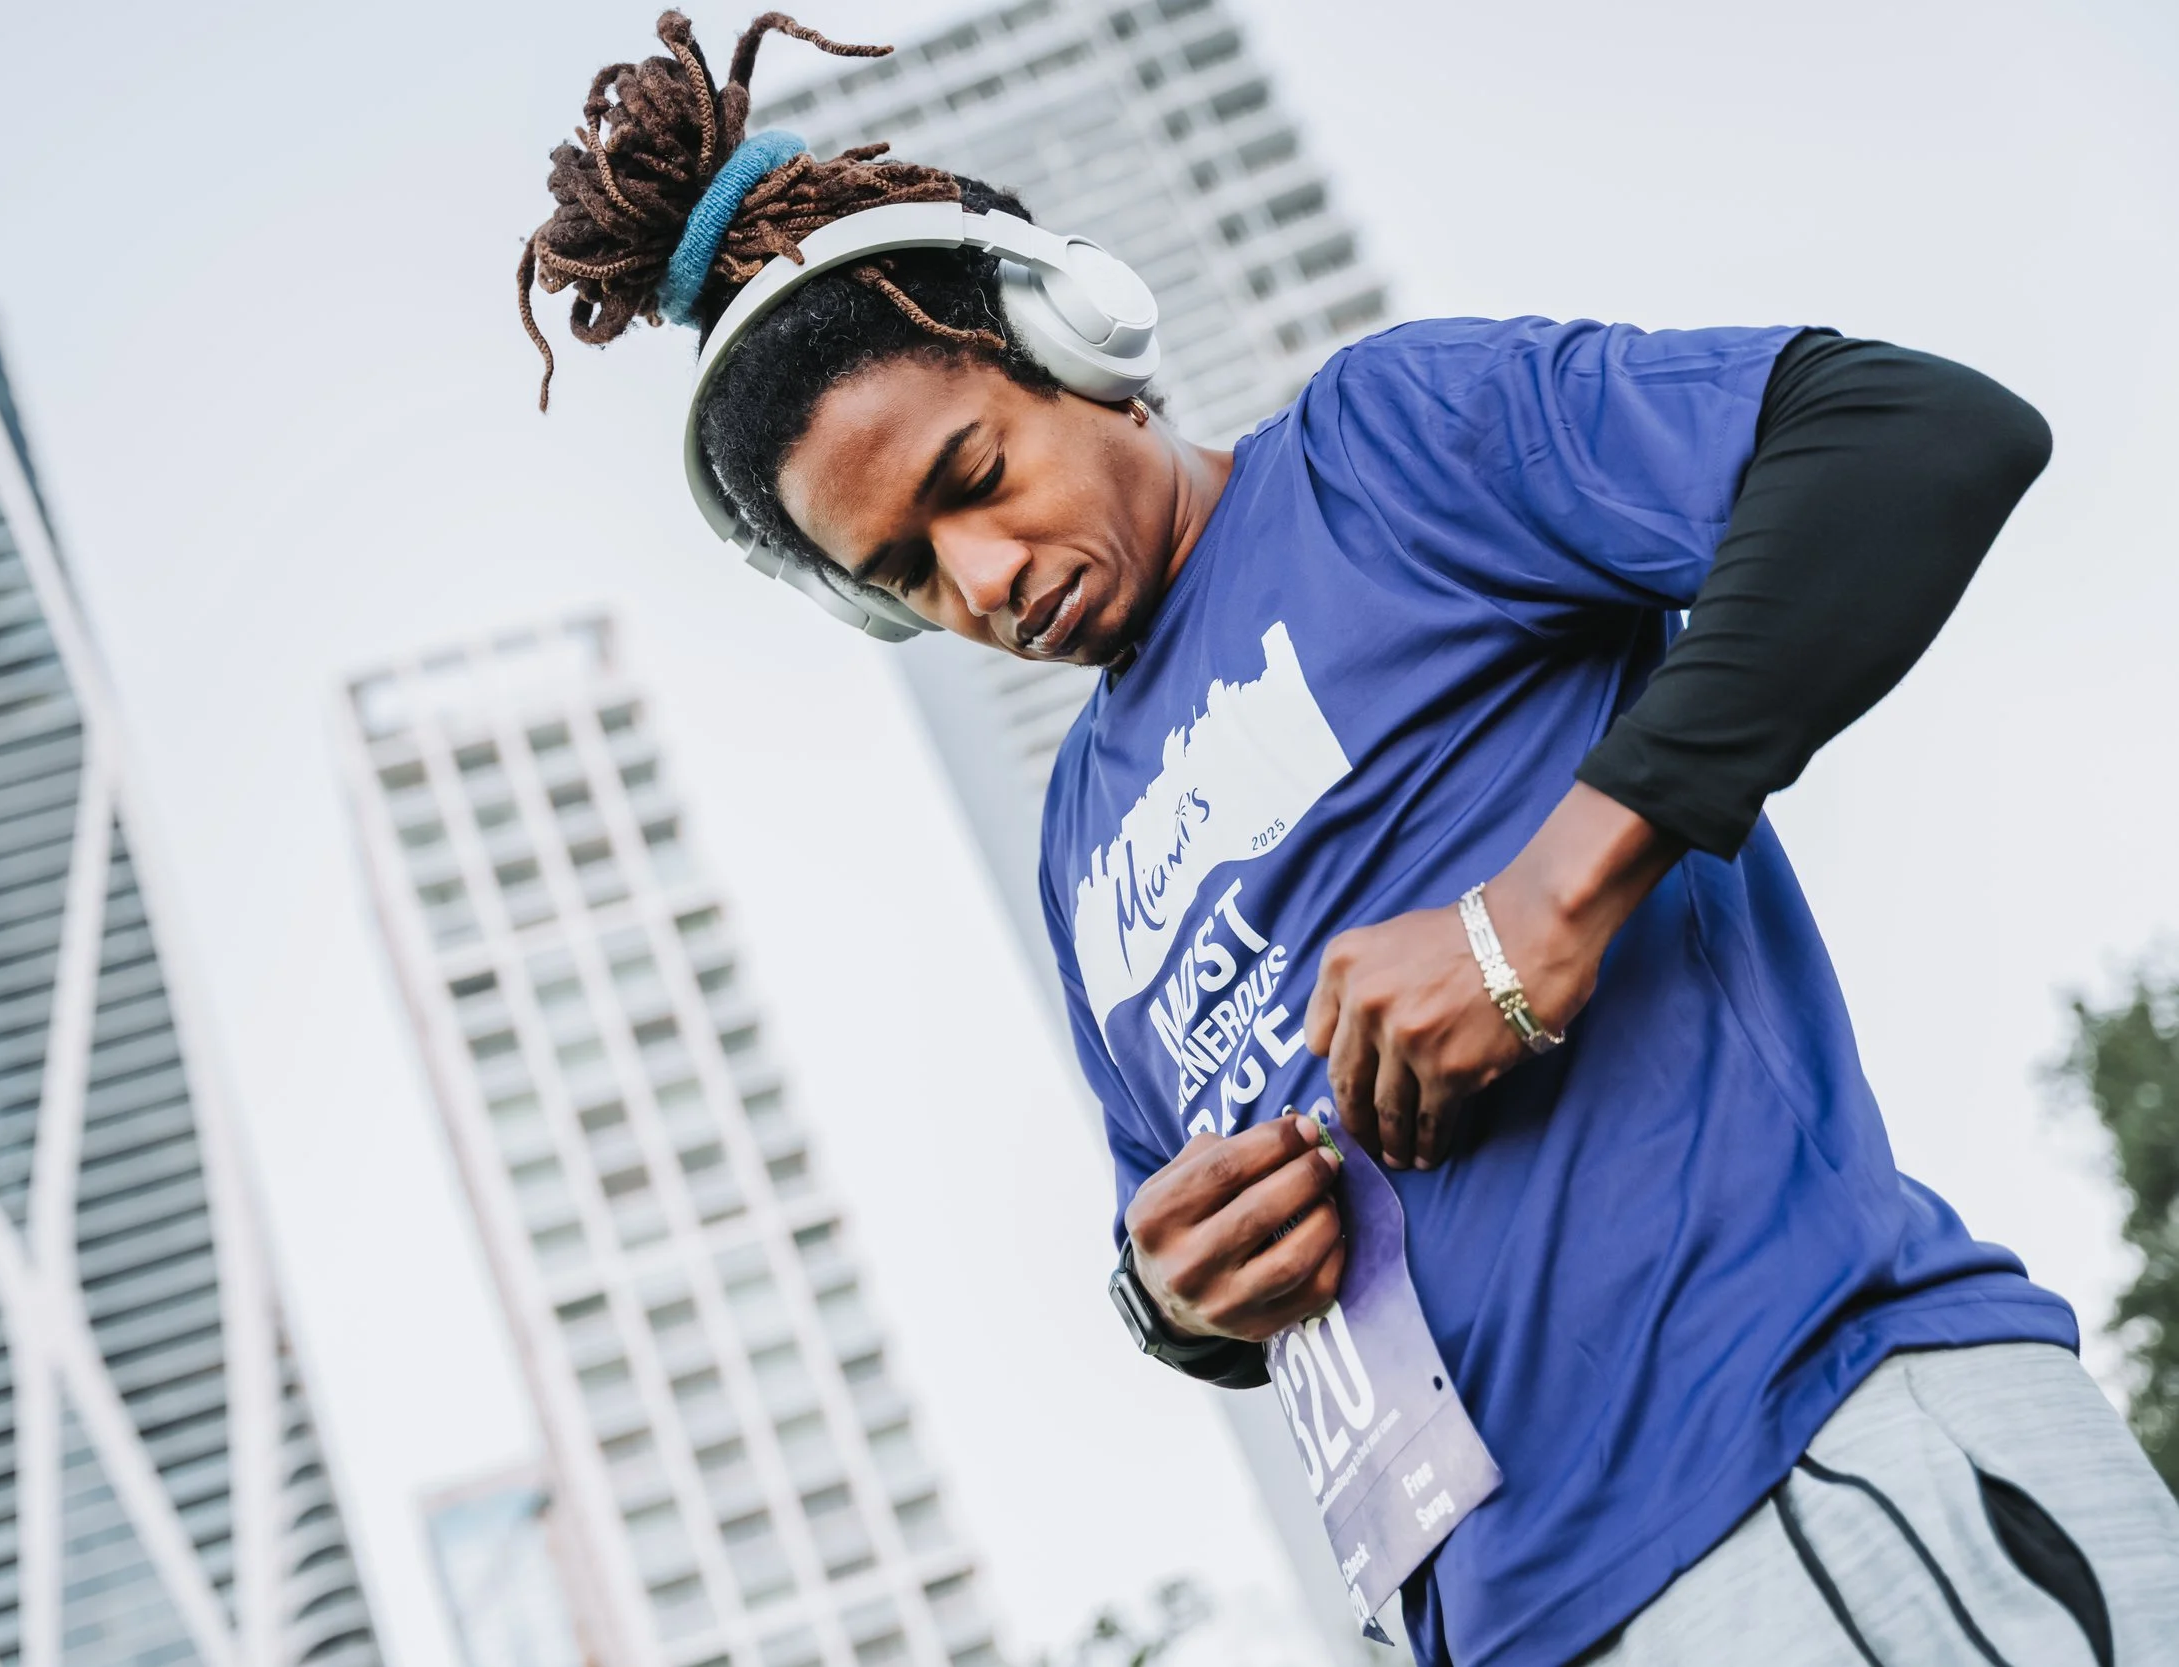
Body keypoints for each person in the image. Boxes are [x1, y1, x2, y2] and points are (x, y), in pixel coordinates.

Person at [518, 12, 2179, 1665]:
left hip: (1796, 1468)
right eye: (904, 573)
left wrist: (1542, 905)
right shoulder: (1074, 841)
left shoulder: (1384, 451)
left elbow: (1909, 438)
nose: (984, 580)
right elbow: (1175, 1229)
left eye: (976, 474)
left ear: (1067, 334)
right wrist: (1169, 1298)